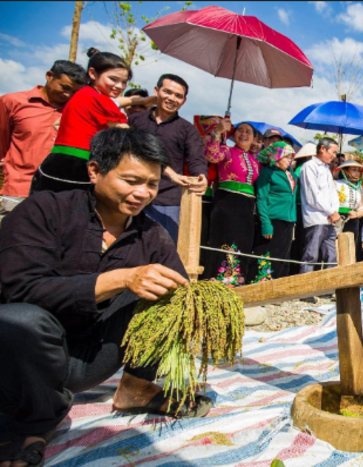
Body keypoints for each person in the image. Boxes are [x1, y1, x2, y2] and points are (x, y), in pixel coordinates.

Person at [0, 128, 212, 467]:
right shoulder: (44, 210)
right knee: (17, 320)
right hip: (27, 358)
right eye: (131, 180)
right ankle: (35, 421)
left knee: (170, 299)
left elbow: (182, 294)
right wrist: (121, 279)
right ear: (95, 171)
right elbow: (21, 289)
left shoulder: (153, 235)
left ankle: (136, 388)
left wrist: (205, 310)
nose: (142, 193)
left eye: (153, 185)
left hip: (92, 358)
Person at [30, 48, 155, 194]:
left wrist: (142, 100)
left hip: (52, 163)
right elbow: (126, 134)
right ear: (92, 73)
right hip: (77, 167)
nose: (119, 86)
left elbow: (57, 124)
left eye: (124, 82)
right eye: (113, 79)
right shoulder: (100, 100)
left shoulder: (82, 94)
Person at [0, 60, 87, 226]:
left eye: (74, 92)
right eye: (64, 87)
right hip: (19, 189)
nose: (68, 95)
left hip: (59, 194)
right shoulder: (12, 102)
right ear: (49, 76)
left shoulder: (77, 110)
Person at [128, 74, 207, 242]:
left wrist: (201, 176)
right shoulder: (135, 121)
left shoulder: (188, 130)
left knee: (161, 249)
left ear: (184, 101)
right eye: (168, 92)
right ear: (156, 91)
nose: (172, 98)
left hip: (167, 199)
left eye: (178, 96)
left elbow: (196, 159)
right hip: (130, 191)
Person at [202, 119, 260, 281]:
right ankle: (215, 278)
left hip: (247, 206)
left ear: (254, 138)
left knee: (243, 241)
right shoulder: (226, 150)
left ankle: (236, 279)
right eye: (240, 130)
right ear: (233, 136)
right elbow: (211, 156)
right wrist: (217, 133)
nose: (243, 133)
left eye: (248, 131)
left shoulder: (255, 161)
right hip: (227, 203)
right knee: (223, 239)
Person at [251, 142, 298, 279]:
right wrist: (265, 223)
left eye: (291, 157)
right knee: (267, 254)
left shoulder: (291, 174)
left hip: (288, 219)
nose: (289, 160)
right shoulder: (267, 173)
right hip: (273, 219)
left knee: (282, 254)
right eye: (286, 157)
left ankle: (278, 287)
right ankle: (260, 286)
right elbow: (261, 198)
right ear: (276, 157)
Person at [298, 137, 340, 274]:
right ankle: (305, 290)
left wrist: (335, 211)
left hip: (329, 219)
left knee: (331, 256)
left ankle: (328, 290)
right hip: (315, 218)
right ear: (322, 148)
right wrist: (330, 211)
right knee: (311, 255)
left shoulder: (326, 169)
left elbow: (333, 193)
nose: (334, 156)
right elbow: (313, 196)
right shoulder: (309, 167)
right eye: (332, 152)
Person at [288, 142, 316, 275]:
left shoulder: (299, 168)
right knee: (302, 240)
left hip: (301, 205)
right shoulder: (305, 168)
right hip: (302, 206)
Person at [334, 159, 363, 260]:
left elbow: (362, 207)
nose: (357, 173)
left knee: (350, 246)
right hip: (337, 218)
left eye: (358, 170)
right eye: (354, 169)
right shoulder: (336, 183)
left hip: (353, 220)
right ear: (345, 171)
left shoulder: (359, 188)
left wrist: (357, 214)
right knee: (336, 245)